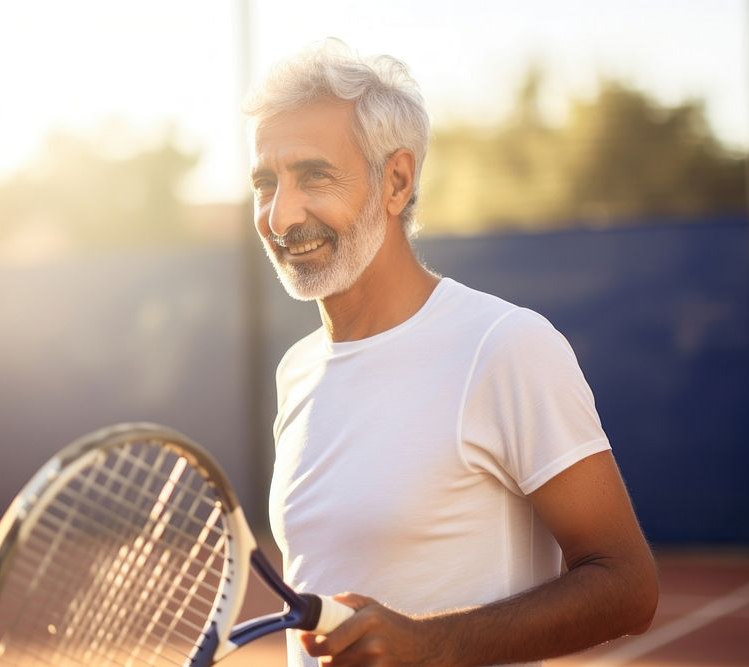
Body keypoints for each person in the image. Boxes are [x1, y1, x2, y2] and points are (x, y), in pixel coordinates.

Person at [244, 40, 658, 667]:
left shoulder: (505, 347)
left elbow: (628, 585)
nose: (281, 214)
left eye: (314, 176)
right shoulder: (297, 371)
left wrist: (433, 643)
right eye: (266, 182)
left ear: (397, 180)